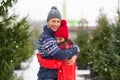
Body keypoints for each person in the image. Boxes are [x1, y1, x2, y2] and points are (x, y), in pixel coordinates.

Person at [37, 6, 79, 80]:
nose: (56, 24)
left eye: (58, 21)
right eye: (53, 21)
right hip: (47, 77)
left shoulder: (56, 35)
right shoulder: (46, 38)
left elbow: (70, 44)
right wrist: (75, 50)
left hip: (57, 76)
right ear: (48, 21)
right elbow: (60, 55)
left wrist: (74, 55)